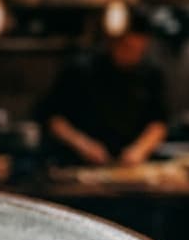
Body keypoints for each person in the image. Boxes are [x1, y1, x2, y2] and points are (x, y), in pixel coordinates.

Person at [40, 13, 168, 166]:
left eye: (140, 50)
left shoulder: (150, 74)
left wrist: (140, 150)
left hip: (128, 166)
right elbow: (53, 119)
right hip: (77, 163)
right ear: (113, 42)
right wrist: (83, 145)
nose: (134, 56)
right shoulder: (80, 70)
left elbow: (158, 122)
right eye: (128, 48)